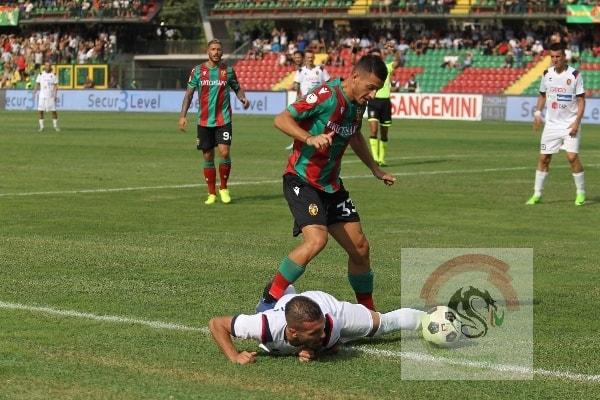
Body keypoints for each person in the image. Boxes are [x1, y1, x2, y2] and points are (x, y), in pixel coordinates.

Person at [256, 55, 396, 313]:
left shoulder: (358, 104)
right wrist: (309, 138)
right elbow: (282, 119)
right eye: (371, 87)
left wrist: (375, 169)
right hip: (302, 180)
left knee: (361, 249)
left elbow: (354, 136)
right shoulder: (325, 95)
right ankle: (268, 300)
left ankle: (368, 311)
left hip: (331, 186)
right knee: (316, 241)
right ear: (355, 77)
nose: (373, 94)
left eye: (377, 89)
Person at [210, 289, 425, 364]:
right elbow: (216, 324)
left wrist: (315, 349)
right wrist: (234, 356)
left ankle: (429, 319)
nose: (321, 333)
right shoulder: (263, 326)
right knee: (278, 299)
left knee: (382, 325)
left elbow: (333, 346)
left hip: (331, 307)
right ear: (293, 332)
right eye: (314, 333)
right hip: (290, 306)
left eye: (321, 329)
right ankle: (278, 295)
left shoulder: (330, 326)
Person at [179, 39, 250, 205]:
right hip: (204, 121)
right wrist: (183, 115)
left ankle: (224, 188)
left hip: (223, 119)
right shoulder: (197, 71)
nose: (216, 52)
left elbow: (237, 88)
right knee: (208, 156)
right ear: (207, 51)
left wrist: (243, 99)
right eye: (213, 49)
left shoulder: (228, 71)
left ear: (222, 52)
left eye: (219, 49)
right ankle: (211, 193)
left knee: (224, 152)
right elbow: (189, 94)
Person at [527, 43, 586, 206]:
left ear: (564, 57)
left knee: (572, 157)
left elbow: (581, 101)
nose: (555, 60)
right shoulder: (547, 74)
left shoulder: (575, 75)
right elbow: (542, 96)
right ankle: (537, 194)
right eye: (552, 57)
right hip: (551, 125)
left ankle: (581, 193)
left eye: (558, 56)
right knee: (544, 158)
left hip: (570, 124)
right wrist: (537, 113)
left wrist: (576, 123)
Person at [285, 49, 330, 150]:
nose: (310, 59)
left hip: (319, 101)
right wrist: (297, 94)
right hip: (305, 101)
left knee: (320, 123)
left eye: (311, 57)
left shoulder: (321, 70)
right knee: (297, 122)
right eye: (308, 57)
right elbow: (297, 84)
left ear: (314, 57)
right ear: (305, 58)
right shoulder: (301, 71)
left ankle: (324, 142)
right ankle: (296, 142)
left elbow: (328, 83)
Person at [367, 45, 400, 166]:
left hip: (385, 102)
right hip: (373, 102)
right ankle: (375, 159)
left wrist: (395, 50)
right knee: (374, 130)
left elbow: (398, 61)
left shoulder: (387, 67)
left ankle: (382, 158)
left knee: (384, 132)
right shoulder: (369, 72)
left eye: (377, 57)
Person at [35, 61, 60, 132]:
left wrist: (55, 95)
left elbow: (56, 86)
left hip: (50, 95)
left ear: (50, 66)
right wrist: (34, 92)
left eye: (49, 65)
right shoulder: (40, 74)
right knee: (40, 111)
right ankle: (41, 127)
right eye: (46, 65)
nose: (47, 67)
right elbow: (37, 83)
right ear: (44, 66)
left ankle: (55, 126)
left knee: (54, 111)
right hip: (42, 95)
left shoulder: (54, 75)